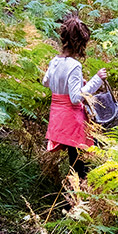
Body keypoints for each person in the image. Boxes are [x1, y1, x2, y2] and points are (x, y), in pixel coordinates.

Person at [42, 16, 106, 183]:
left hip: (58, 116)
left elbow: (46, 82)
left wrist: (65, 86)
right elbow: (76, 98)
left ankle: (77, 193)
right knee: (83, 160)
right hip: (73, 119)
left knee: (74, 158)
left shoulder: (55, 61)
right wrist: (97, 79)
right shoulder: (74, 66)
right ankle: (82, 195)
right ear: (80, 43)